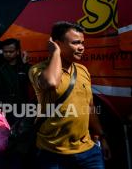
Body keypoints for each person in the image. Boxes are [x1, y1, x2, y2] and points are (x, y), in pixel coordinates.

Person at [28, 21, 111, 169]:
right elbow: (51, 82)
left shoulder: (83, 70)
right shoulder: (38, 70)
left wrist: (101, 137)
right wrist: (55, 53)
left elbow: (90, 107)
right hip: (52, 153)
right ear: (57, 44)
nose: (81, 47)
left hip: (88, 151)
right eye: (76, 43)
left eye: (82, 43)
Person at [0, 38, 34, 169]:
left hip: (21, 113)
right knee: (1, 145)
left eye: (11, 51)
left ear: (18, 52)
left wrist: (24, 65)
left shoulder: (25, 67)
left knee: (19, 147)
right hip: (1, 113)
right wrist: (0, 46)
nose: (7, 54)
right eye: (5, 51)